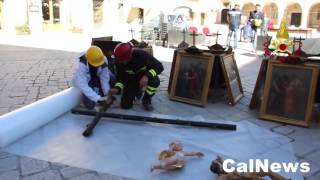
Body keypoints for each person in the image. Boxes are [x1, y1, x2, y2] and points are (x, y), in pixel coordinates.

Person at [109, 42, 164, 111]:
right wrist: (117, 88)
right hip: (131, 80)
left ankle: (147, 99)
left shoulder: (142, 55)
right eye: (119, 60)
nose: (121, 63)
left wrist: (147, 76)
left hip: (145, 77)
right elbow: (120, 79)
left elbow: (160, 67)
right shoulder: (118, 62)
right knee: (126, 105)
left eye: (123, 61)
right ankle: (138, 90)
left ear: (129, 56)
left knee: (155, 81)